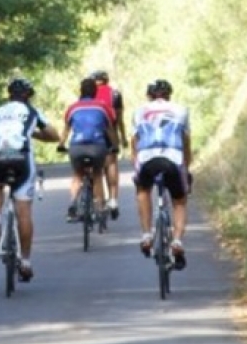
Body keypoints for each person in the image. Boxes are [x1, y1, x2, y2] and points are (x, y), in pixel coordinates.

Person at [0, 77, 60, 282]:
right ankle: (25, 261)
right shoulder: (31, 111)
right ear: (28, 96)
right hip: (21, 159)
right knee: (24, 213)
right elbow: (53, 134)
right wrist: (35, 134)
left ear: (9, 94)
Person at [131, 78, 192, 270]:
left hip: (147, 158)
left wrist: (136, 166)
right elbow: (185, 142)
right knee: (180, 200)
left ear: (149, 95)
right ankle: (177, 241)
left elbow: (135, 142)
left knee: (142, 190)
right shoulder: (181, 110)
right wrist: (186, 167)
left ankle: (146, 234)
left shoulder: (139, 111)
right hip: (172, 159)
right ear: (169, 95)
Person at [57, 77, 118, 221]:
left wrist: (60, 145)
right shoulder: (102, 107)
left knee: (78, 174)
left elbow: (66, 130)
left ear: (81, 91)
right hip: (97, 147)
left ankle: (72, 202)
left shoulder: (73, 107)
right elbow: (109, 129)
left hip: (77, 147)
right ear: (95, 92)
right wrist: (115, 146)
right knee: (97, 173)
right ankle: (98, 207)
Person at [91, 70, 128, 219]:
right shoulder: (115, 94)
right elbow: (119, 119)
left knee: (96, 170)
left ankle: (99, 203)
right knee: (111, 163)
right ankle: (113, 199)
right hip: (109, 132)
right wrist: (123, 138)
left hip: (92, 133)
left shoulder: (88, 92)